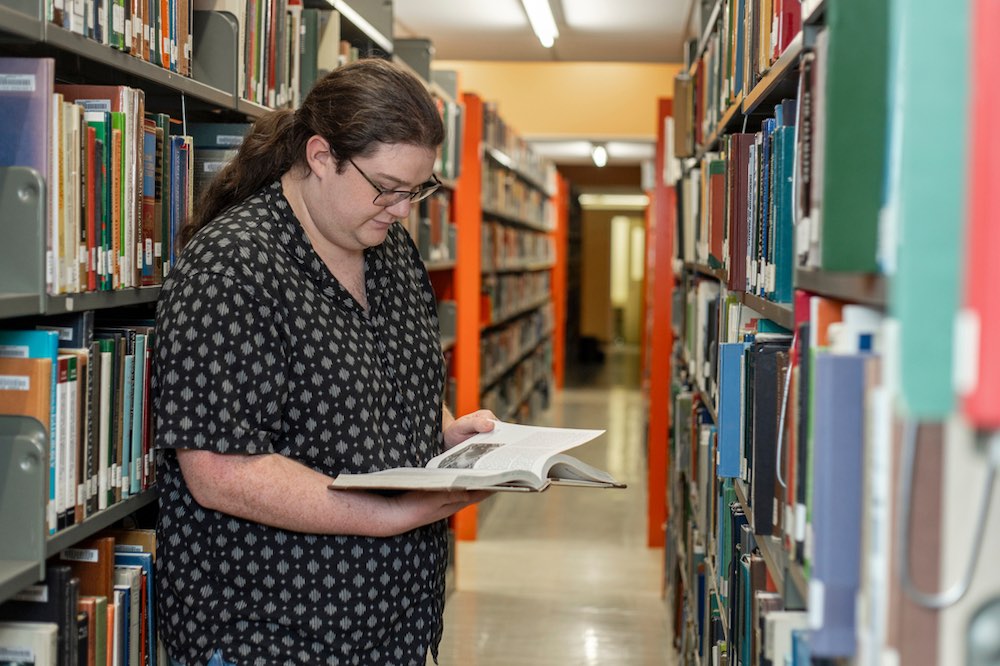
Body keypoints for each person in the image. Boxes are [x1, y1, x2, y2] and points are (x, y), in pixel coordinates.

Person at [153, 57, 496, 666]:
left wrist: (446, 428)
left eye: (417, 190)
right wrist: (385, 518)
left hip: (395, 628)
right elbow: (219, 470)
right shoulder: (234, 268)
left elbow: (387, 373)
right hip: (271, 633)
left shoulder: (389, 251)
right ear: (319, 156)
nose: (401, 209)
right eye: (385, 187)